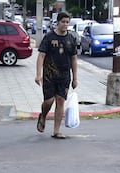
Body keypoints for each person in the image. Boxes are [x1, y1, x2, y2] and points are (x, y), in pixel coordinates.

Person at [35, 11, 79, 139]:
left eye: (67, 22)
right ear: (58, 22)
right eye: (63, 22)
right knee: (49, 101)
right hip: (49, 74)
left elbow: (74, 59)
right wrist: (38, 75)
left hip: (65, 75)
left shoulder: (71, 38)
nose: (65, 25)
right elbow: (41, 56)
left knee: (60, 101)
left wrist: (75, 78)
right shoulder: (49, 37)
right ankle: (43, 116)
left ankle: (56, 130)